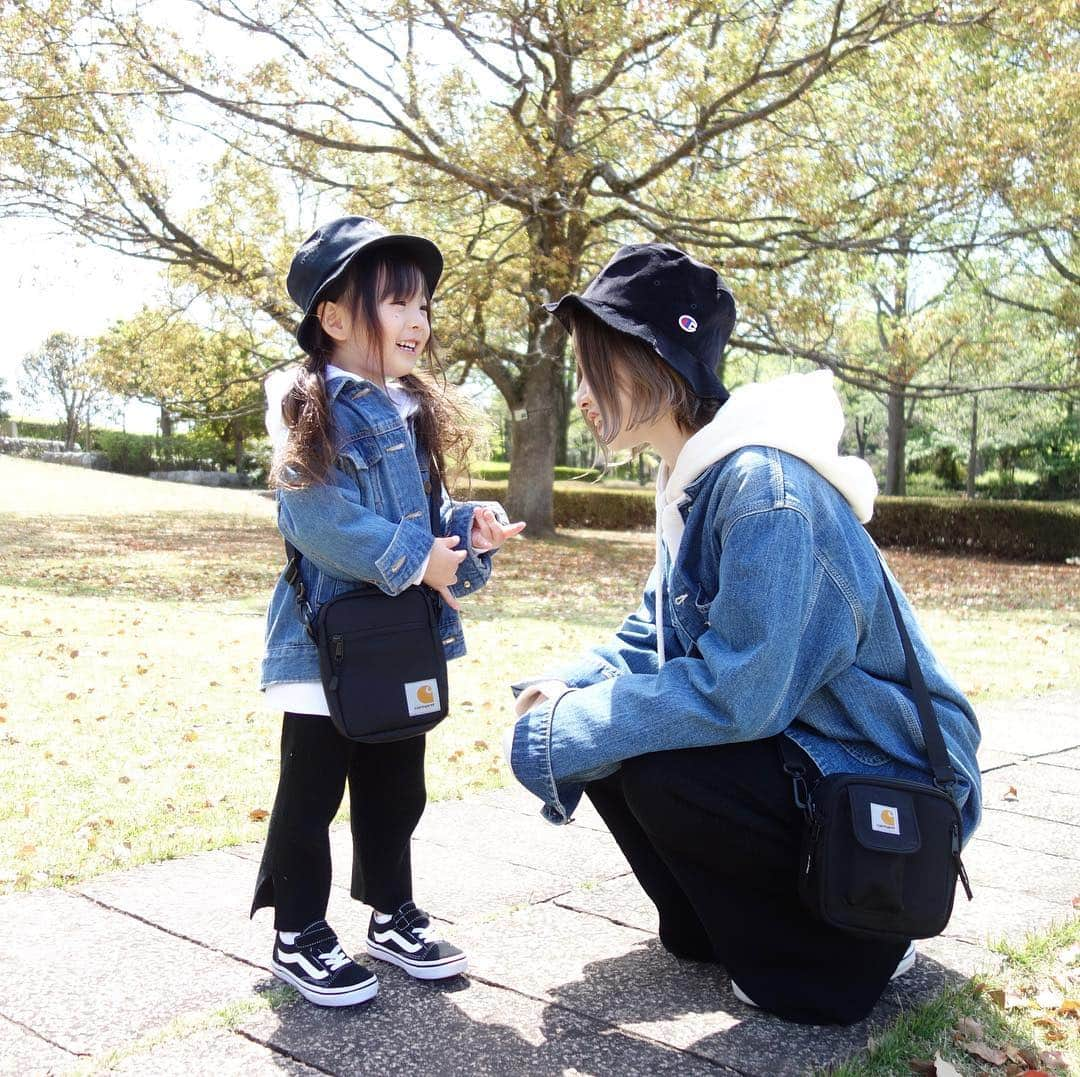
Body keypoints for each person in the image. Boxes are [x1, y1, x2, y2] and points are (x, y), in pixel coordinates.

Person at [504, 243, 981, 1025]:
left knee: (654, 757)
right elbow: (649, 633)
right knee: (616, 730)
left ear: (650, 360)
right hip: (819, 750)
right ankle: (718, 926)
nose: (582, 393)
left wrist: (572, 729)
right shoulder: (698, 478)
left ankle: (856, 949)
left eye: (594, 369)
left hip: (891, 779)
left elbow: (741, 692)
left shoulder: (763, 490)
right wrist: (563, 692)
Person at [254, 215, 524, 1008]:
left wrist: (465, 531)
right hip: (325, 643)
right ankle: (298, 928)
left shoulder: (410, 412)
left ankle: (389, 911)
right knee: (312, 791)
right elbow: (314, 516)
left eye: (424, 306)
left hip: (400, 641)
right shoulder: (311, 406)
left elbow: (426, 515)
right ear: (333, 319)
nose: (418, 321)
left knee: (396, 783)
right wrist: (416, 560)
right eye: (397, 304)